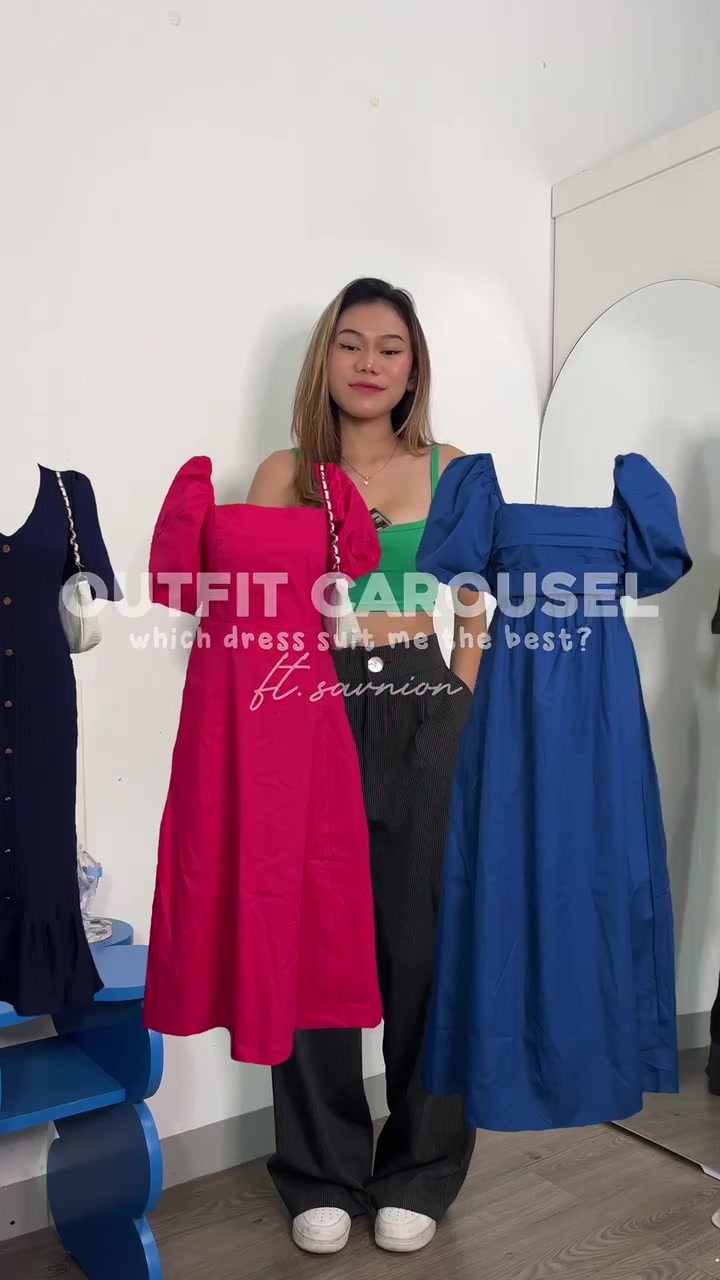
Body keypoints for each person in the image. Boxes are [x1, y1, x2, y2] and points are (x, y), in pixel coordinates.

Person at [247, 276, 486, 1254]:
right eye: (351, 343)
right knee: (312, 942)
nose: (370, 363)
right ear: (327, 357)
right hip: (310, 708)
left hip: (426, 706)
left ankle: (420, 1168)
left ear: (413, 366)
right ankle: (320, 1171)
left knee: (426, 945)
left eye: (391, 347)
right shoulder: (285, 475)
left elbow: (475, 603)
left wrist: (459, 697)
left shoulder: (453, 468)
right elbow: (257, 610)